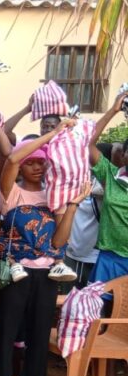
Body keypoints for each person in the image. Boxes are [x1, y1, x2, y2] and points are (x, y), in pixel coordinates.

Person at [0, 129, 87, 376]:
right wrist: (54, 134)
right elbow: (11, 159)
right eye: (31, 162)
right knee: (6, 334)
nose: (37, 167)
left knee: (39, 335)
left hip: (47, 275)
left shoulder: (55, 194)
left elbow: (58, 241)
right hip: (15, 273)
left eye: (42, 162)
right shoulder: (12, 192)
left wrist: (72, 206)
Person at [87, 92, 128, 284]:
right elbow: (88, 143)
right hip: (109, 259)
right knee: (99, 304)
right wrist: (113, 110)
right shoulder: (110, 175)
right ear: (123, 155)